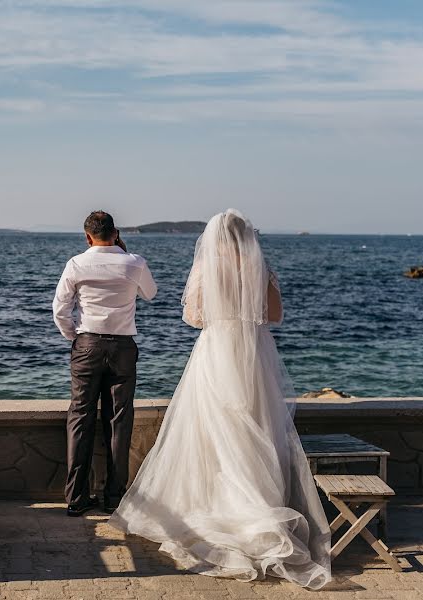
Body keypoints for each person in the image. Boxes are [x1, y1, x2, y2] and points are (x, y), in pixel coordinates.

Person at [108, 209, 332, 589]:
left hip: (216, 351)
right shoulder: (261, 267)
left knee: (212, 428)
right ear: (247, 236)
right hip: (254, 355)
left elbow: (193, 317)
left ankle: (221, 504)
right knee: (256, 427)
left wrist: (221, 311)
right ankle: (259, 504)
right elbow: (274, 315)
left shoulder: (206, 268)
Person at [53, 210, 157, 517]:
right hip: (123, 347)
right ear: (116, 233)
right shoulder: (134, 262)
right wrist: (124, 255)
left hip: (87, 344)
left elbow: (60, 309)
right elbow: (150, 293)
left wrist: (75, 337)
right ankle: (114, 497)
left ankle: (76, 498)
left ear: (87, 236)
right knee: (119, 421)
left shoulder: (76, 263)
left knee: (80, 418)